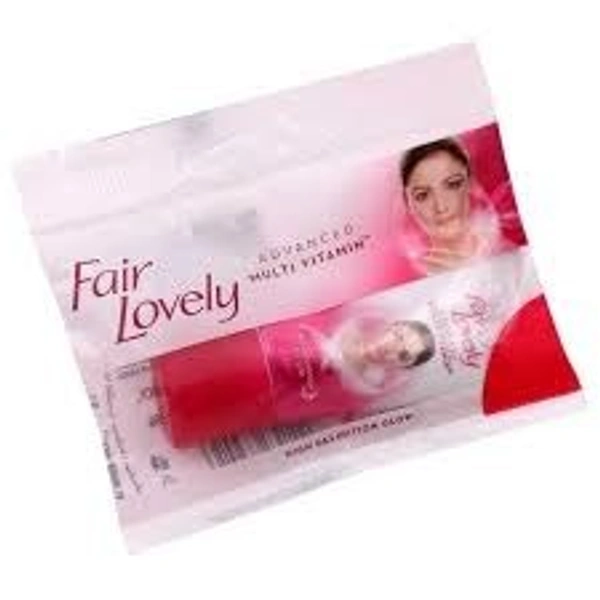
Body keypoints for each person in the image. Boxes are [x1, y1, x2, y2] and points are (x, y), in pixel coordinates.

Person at [399, 138, 500, 273]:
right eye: (423, 195)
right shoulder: (410, 278)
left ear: (470, 183)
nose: (441, 207)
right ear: (408, 202)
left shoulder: (508, 253)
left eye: (453, 184)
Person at [319, 317, 435, 396]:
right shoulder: (347, 325)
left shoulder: (366, 385)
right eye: (398, 336)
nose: (392, 349)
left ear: (402, 367)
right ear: (391, 326)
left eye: (403, 355)